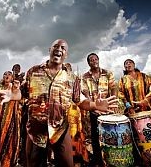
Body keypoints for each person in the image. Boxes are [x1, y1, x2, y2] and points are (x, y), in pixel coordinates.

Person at [25, 39, 118, 167]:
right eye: (55, 46)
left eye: (63, 48)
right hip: (36, 130)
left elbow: (80, 100)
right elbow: (22, 92)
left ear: (66, 55)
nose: (59, 49)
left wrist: (95, 105)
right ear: (49, 50)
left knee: (67, 163)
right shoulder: (33, 72)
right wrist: (13, 95)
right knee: (35, 163)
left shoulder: (72, 78)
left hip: (60, 129)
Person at [81, 53, 123, 166]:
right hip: (94, 110)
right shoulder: (85, 76)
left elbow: (113, 88)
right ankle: (98, 160)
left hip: (108, 109)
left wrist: (113, 102)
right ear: (88, 63)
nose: (94, 61)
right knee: (95, 136)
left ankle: (113, 158)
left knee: (111, 134)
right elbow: (85, 93)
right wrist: (93, 106)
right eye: (91, 60)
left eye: (95, 59)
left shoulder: (107, 73)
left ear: (98, 60)